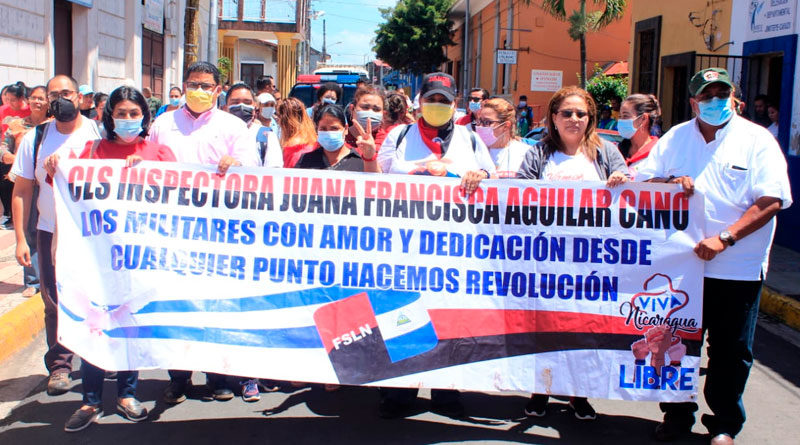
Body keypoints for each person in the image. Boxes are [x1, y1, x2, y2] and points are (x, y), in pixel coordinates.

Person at [636, 68, 792, 445]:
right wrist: (670, 183)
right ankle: (676, 415)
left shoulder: (756, 140)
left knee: (731, 350)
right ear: (693, 102)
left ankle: (723, 424)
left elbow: (771, 200)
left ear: (735, 98)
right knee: (678, 344)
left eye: (723, 94)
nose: (716, 102)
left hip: (736, 268)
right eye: (708, 96)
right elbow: (644, 180)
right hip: (683, 268)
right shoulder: (675, 139)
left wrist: (725, 238)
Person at [43, 86, 174, 431]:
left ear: (145, 117)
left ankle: (127, 394)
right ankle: (90, 401)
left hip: (139, 259)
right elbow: (67, 190)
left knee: (129, 324)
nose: (128, 120)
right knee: (96, 326)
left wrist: (146, 173)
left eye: (134, 113)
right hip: (98, 259)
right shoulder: (92, 150)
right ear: (109, 116)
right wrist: (56, 166)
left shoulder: (159, 153)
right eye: (121, 113)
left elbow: (180, 196)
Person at [376, 72, 495, 419]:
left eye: (444, 101)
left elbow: (494, 178)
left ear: (455, 104)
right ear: (419, 102)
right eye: (431, 99)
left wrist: (479, 176)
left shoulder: (471, 140)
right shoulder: (398, 136)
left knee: (448, 316)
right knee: (404, 314)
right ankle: (399, 392)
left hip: (455, 249)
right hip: (405, 245)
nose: (437, 106)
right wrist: (421, 173)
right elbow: (376, 179)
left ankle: (446, 392)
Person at [147, 61, 261, 404]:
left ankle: (218, 376)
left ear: (217, 90)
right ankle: (179, 377)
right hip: (173, 231)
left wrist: (236, 165)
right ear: (184, 85)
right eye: (193, 84)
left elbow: (253, 171)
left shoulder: (232, 126)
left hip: (217, 233)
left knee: (213, 304)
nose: (199, 90)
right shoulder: (164, 123)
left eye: (206, 85)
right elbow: (148, 167)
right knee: (175, 303)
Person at [516, 86, 630, 422]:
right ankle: (541, 391)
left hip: (592, 264)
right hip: (546, 261)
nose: (574, 119)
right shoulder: (539, 153)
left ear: (590, 119)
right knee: (545, 329)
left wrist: (624, 181)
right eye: (566, 113)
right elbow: (519, 195)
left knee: (585, 331)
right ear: (553, 117)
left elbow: (631, 197)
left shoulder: (606, 153)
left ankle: (580, 395)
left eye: (581, 113)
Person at [10, 74, 101, 396]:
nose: (61, 99)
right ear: (46, 101)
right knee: (53, 301)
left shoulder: (98, 134)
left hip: (92, 235)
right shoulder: (35, 138)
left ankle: (97, 360)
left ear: (80, 98)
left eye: (67, 93)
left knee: (95, 298)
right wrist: (21, 238)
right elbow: (21, 190)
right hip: (50, 233)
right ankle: (60, 366)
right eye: (54, 94)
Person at [2, 85, 49, 297]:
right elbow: (3, 147)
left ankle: (52, 276)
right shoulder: (17, 125)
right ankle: (32, 280)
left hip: (49, 186)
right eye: (34, 98)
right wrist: (12, 158)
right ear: (28, 101)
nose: (37, 102)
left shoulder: (54, 126)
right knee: (28, 231)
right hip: (25, 186)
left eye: (42, 98)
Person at [297, 103, 379, 173]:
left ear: (346, 129)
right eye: (323, 129)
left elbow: (375, 184)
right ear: (317, 129)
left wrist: (370, 155)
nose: (329, 133)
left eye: (334, 128)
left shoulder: (359, 161)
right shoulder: (306, 160)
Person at [224, 82, 282, 168]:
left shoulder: (267, 136)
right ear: (225, 108)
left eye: (247, 103)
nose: (241, 106)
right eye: (235, 102)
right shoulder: (215, 133)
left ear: (255, 107)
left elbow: (273, 173)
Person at [474, 98, 530, 178]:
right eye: (479, 121)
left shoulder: (526, 154)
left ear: (506, 126)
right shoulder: (472, 151)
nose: (480, 126)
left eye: (487, 122)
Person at [0, 83, 31, 229]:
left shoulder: (30, 111)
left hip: (24, 152)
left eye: (13, 99)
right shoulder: (3, 110)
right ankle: (8, 214)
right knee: (5, 184)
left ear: (22, 99)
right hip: (7, 151)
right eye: (7, 99)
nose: (9, 103)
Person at [617, 94, 661, 178]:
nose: (621, 121)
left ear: (644, 119)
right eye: (620, 116)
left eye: (625, 116)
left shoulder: (658, 152)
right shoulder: (617, 151)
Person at [277, 97, 317, 168]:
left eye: (279, 116)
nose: (278, 121)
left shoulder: (291, 147)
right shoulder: (313, 140)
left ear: (284, 120)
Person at [345, 85, 387, 153]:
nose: (370, 112)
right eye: (365, 107)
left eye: (376, 109)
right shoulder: (342, 137)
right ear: (352, 109)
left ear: (383, 114)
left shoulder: (388, 139)